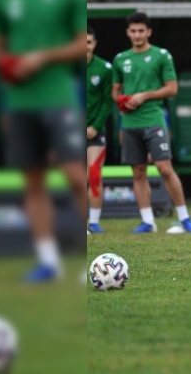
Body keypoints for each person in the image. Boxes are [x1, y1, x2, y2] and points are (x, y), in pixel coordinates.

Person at [0, 0, 87, 281]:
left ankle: (88, 255)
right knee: (33, 183)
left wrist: (41, 58)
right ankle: (49, 262)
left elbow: (79, 43)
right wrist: (7, 66)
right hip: (18, 103)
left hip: (59, 97)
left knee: (76, 175)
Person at [112, 12, 191, 233]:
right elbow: (115, 92)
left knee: (164, 168)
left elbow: (172, 88)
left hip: (153, 119)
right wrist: (123, 101)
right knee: (138, 172)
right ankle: (148, 221)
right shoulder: (121, 59)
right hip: (130, 123)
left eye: (141, 30)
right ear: (127, 33)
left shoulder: (161, 55)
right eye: (133, 31)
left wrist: (143, 96)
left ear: (148, 32)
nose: (137, 35)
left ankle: (184, 217)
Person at [86, 25, 112, 233]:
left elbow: (107, 102)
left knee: (94, 174)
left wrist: (95, 126)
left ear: (94, 44)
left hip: (94, 132)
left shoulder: (105, 69)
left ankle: (93, 222)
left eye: (88, 42)